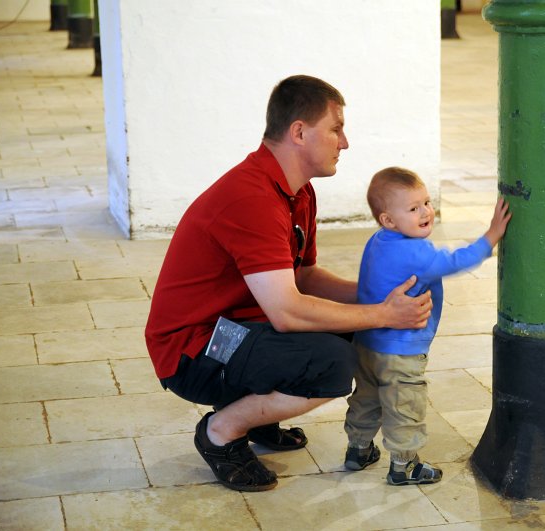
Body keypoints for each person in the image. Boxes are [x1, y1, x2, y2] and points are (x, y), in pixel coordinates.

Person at [144, 76, 433, 492]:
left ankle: (259, 412)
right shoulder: (253, 197)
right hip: (192, 349)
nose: (345, 142)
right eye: (336, 128)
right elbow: (287, 311)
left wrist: (375, 298)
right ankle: (221, 431)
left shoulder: (297, 192)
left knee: (354, 326)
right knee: (333, 362)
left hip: (233, 327)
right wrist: (384, 312)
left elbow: (303, 276)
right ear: (299, 132)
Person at [343, 167, 511, 485]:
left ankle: (358, 449)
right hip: (401, 351)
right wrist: (491, 235)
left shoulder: (377, 242)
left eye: (426, 202)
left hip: (366, 344)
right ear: (388, 220)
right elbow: (454, 261)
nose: (425, 212)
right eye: (413, 208)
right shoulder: (416, 252)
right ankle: (404, 466)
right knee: (404, 405)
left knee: (366, 396)